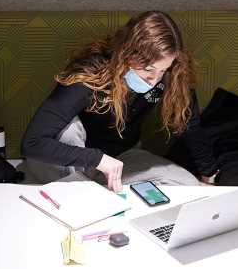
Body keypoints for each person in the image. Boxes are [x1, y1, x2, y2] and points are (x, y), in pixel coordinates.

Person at [20, 11, 219, 191]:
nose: (154, 80)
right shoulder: (89, 73)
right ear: (127, 54)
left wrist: (208, 173)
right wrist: (96, 159)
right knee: (69, 130)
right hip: (71, 158)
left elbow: (190, 123)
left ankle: (96, 188)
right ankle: (80, 191)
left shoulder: (171, 74)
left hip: (120, 158)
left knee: (189, 186)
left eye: (162, 70)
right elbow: (33, 142)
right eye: (148, 70)